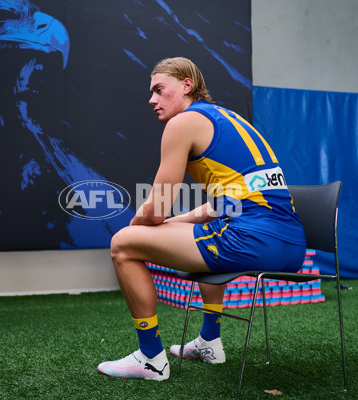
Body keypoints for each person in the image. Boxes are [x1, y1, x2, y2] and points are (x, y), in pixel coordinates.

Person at [97, 57, 306, 381]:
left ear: (186, 85)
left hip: (252, 239)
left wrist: (133, 228)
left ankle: (151, 359)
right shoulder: (227, 118)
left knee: (122, 245)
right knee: (199, 228)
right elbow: (220, 206)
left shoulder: (182, 123)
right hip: (292, 245)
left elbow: (157, 208)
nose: (151, 99)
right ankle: (210, 341)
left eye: (158, 89)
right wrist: (174, 223)